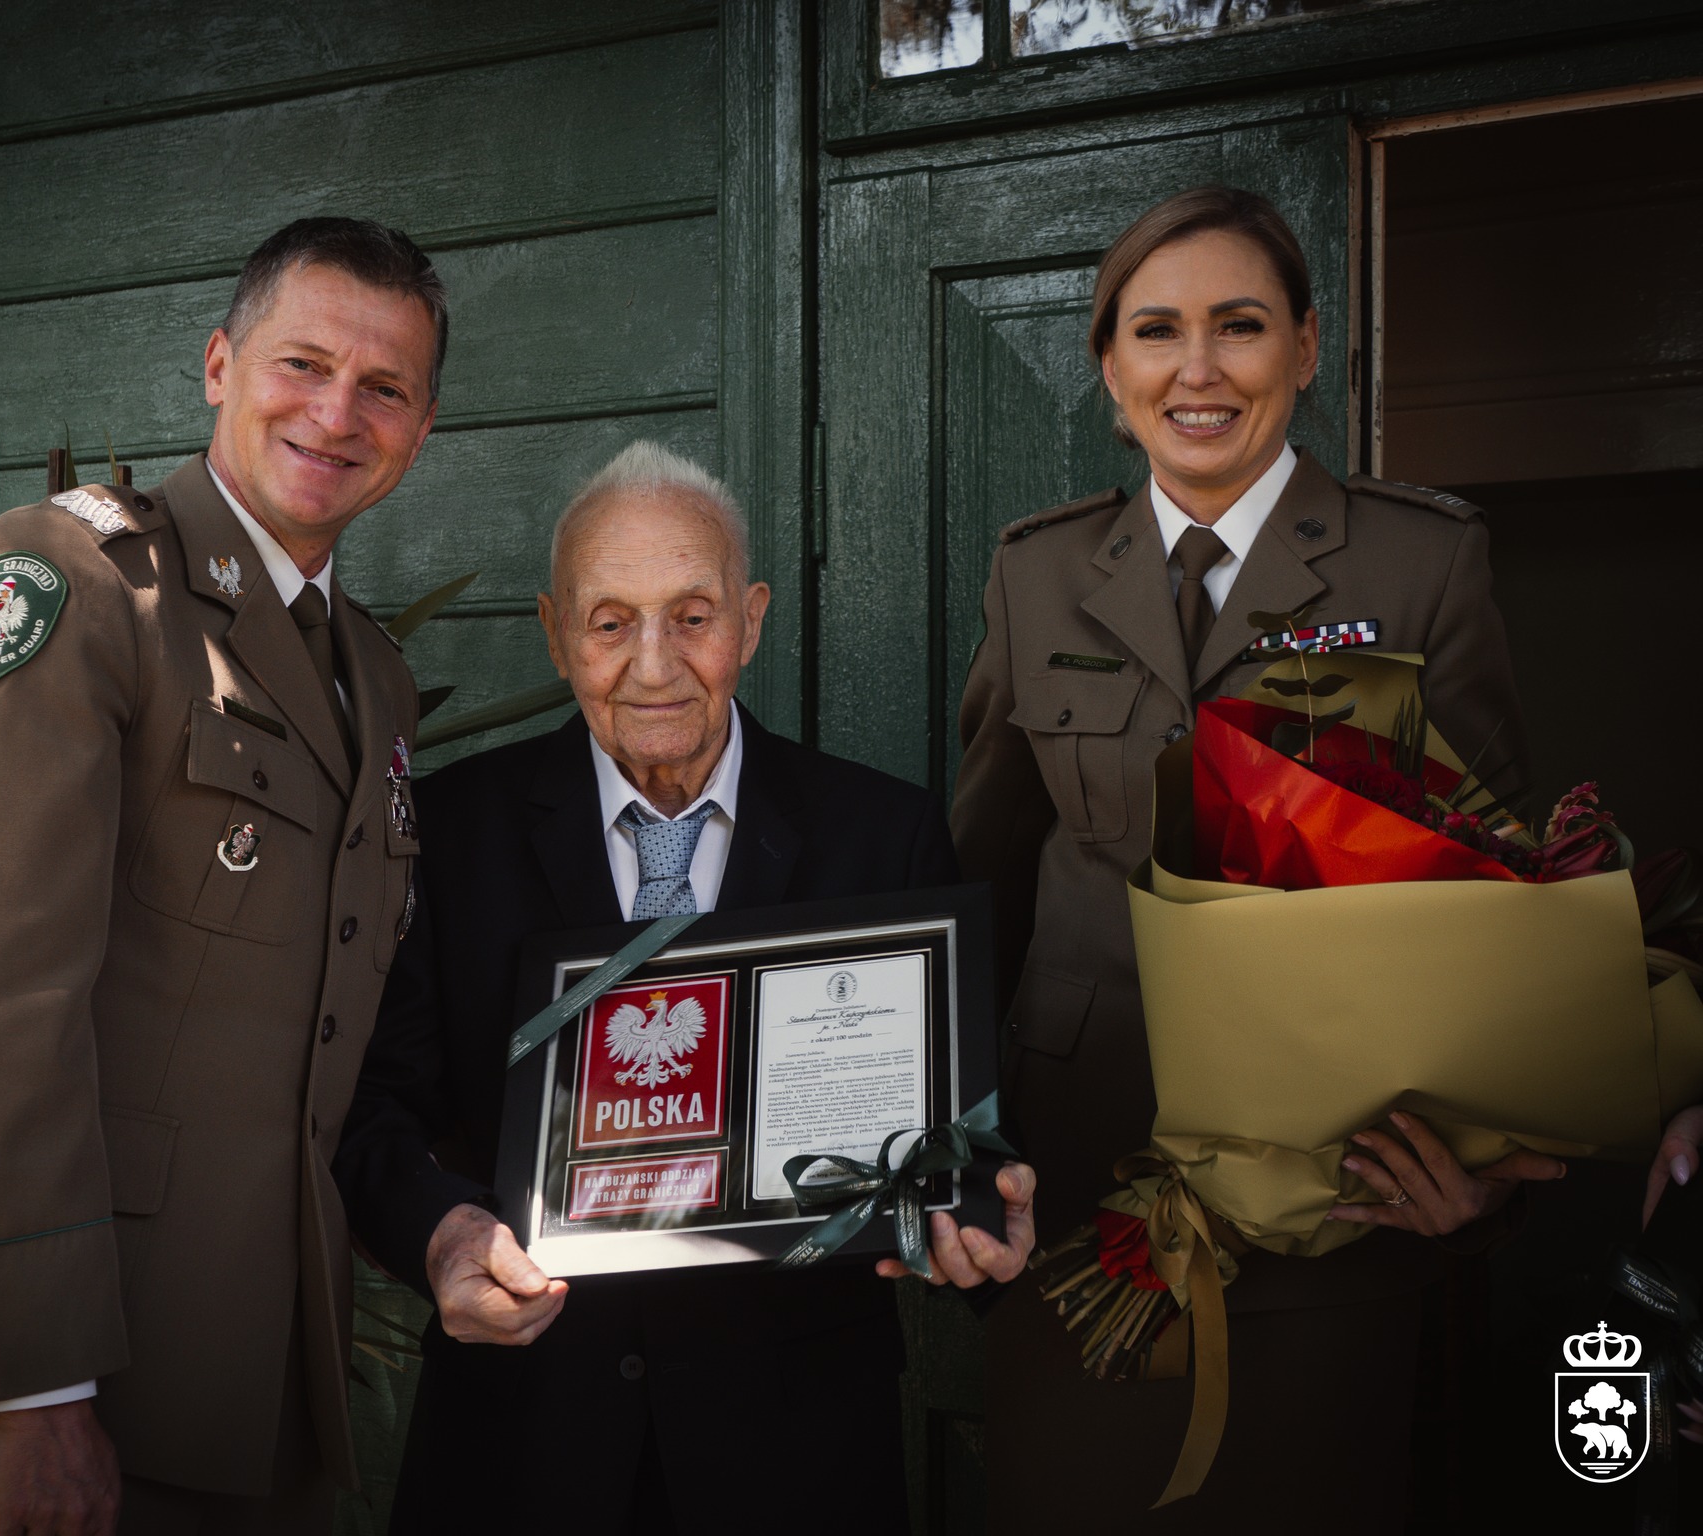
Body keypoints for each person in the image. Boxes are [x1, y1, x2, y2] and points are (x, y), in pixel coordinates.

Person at [0, 216, 445, 1535]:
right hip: (56, 1367)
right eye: (302, 364)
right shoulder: (76, 583)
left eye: (384, 387)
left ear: (422, 428)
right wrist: (38, 1388)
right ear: (217, 365)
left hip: (251, 1375)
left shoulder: (370, 673)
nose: (337, 414)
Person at [951, 186, 1568, 1532]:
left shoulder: (1419, 564)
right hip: (1077, 1208)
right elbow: (981, 889)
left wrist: (1481, 1183)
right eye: (1155, 331)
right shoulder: (1037, 576)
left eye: (1238, 325)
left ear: (1304, 345)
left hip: (1336, 1218)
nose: (1198, 370)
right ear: (1108, 366)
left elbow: (1511, 909)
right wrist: (948, 1150)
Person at [335, 441, 1039, 1534]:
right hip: (522, 1443)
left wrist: (980, 1211)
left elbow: (955, 1136)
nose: (654, 665)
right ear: (555, 632)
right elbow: (372, 1104)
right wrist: (439, 1237)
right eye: (610, 622)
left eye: (693, 616)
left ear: (750, 621)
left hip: (792, 1457)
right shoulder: (453, 833)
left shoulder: (882, 833)